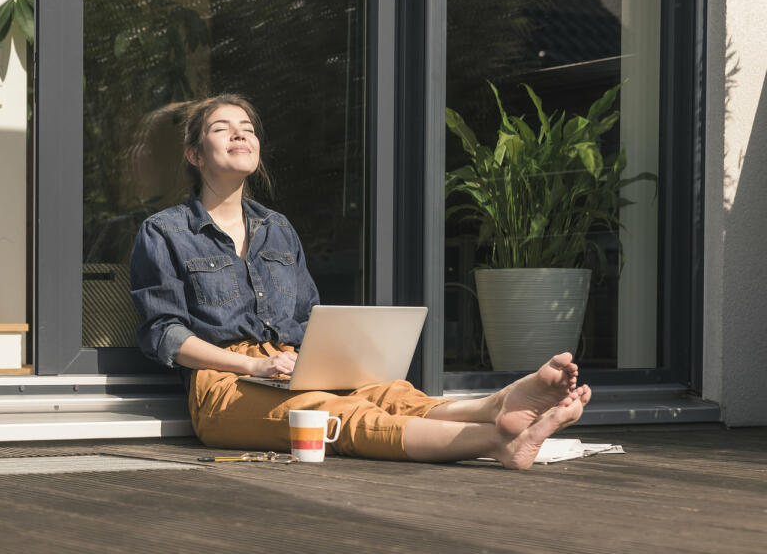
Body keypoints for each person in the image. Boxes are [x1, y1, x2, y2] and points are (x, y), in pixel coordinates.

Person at [128, 94, 591, 470]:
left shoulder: (278, 228)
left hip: (292, 367)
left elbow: (309, 316)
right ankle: (494, 441)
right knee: (335, 417)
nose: (240, 133)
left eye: (247, 127)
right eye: (221, 128)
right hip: (223, 385)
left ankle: (501, 404)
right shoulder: (165, 232)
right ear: (194, 154)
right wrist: (253, 368)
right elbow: (164, 334)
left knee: (390, 393)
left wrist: (328, 360)